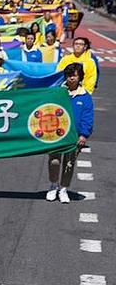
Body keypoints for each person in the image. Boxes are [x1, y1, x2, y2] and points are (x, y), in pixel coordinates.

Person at [45, 64, 94, 203]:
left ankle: (63, 189)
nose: (71, 78)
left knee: (69, 163)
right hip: (56, 135)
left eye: (74, 75)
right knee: (54, 161)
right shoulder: (58, 92)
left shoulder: (85, 96)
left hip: (75, 137)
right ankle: (53, 185)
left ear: (80, 77)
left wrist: (84, 134)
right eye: (69, 75)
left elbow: (88, 117)